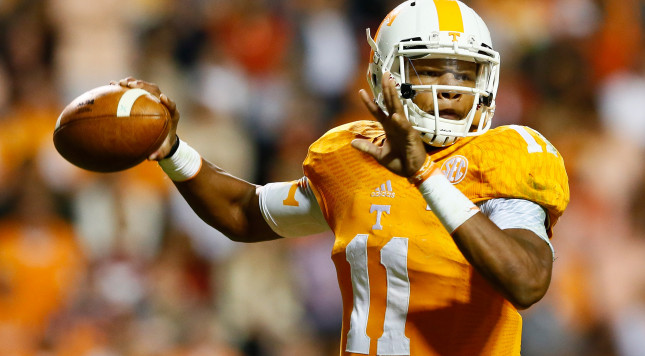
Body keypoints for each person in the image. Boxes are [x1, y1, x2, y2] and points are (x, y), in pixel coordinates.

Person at [115, 0, 569, 354]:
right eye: (430, 69)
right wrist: (172, 151)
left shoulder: (505, 156)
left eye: (465, 73)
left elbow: (527, 281)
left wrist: (425, 175)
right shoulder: (352, 155)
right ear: (385, 75)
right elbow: (243, 213)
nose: (450, 88)